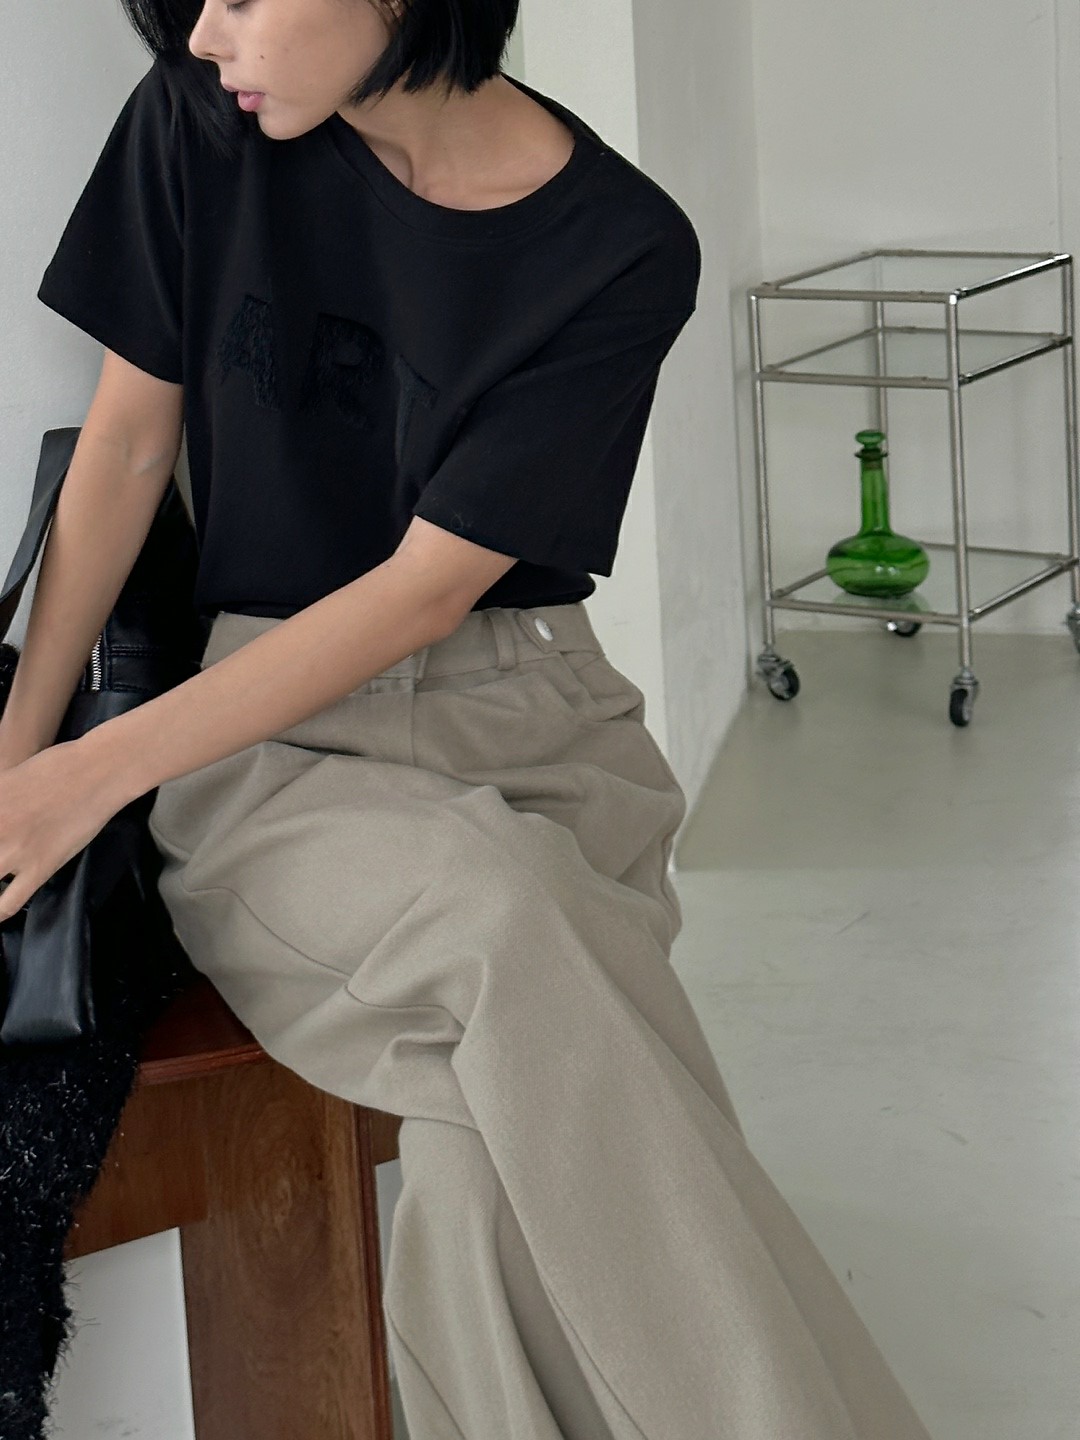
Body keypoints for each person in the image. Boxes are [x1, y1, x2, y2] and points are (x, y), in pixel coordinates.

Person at [0, 1, 938, 1436]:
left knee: (486, 1152)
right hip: (268, 746)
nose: (201, 37)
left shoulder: (623, 244)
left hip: (537, 725)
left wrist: (89, 773)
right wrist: (27, 754)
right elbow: (127, 448)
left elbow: (430, 591)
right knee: (505, 924)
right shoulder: (200, 130)